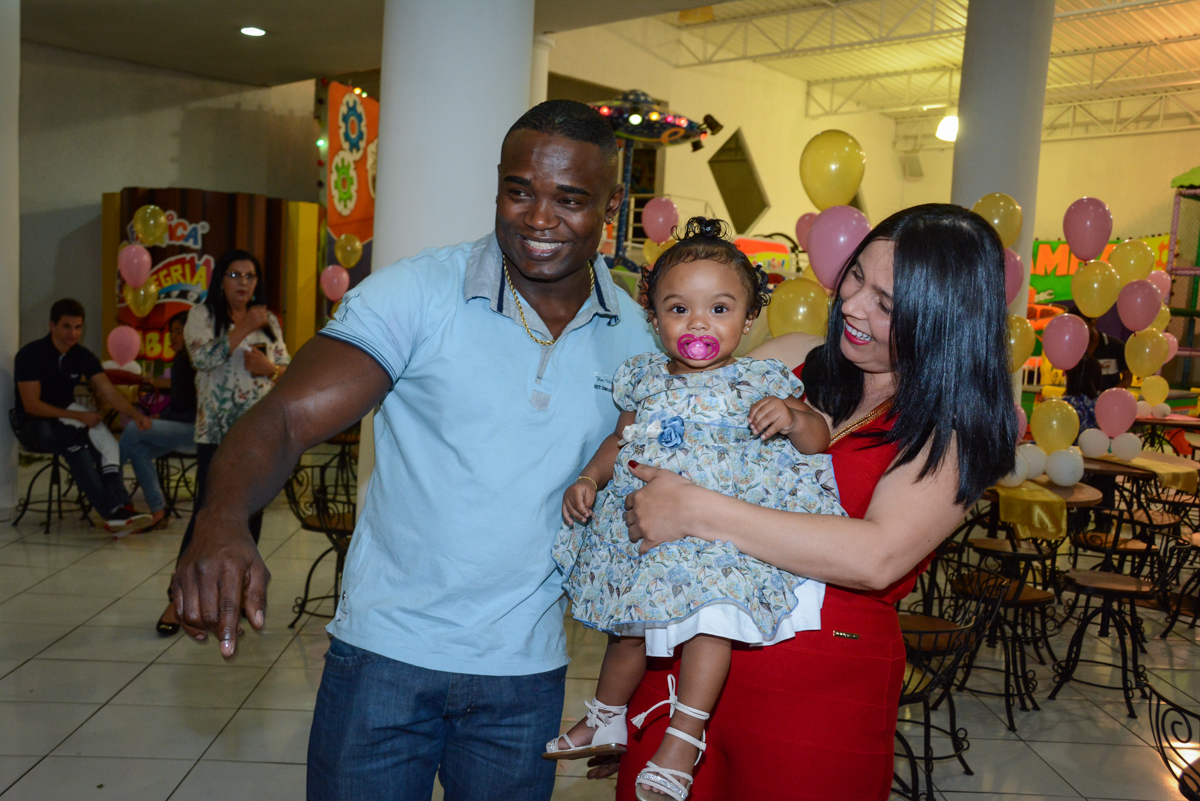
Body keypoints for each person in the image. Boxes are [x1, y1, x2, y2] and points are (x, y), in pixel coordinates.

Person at [168, 100, 657, 800]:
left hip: (525, 672)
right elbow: (284, 417)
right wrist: (220, 520)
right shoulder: (418, 293)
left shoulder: (639, 338)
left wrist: (625, 699)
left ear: (612, 204)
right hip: (384, 658)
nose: (539, 218)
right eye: (519, 191)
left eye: (570, 200)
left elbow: (658, 508)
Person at [601, 204, 1018, 800]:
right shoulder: (790, 357)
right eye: (856, 277)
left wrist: (696, 510)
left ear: (944, 321)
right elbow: (672, 424)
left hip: (817, 697)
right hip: (683, 664)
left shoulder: (954, 432)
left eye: (886, 304)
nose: (852, 305)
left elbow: (876, 556)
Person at [546, 218, 840, 800]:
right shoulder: (644, 378)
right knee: (629, 626)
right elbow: (620, 439)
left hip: (715, 537)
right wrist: (588, 477)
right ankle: (606, 715)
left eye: (719, 309)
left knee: (713, 622)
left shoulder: (759, 380)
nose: (699, 324)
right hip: (648, 529)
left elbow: (817, 441)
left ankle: (685, 736)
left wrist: (792, 416)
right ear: (654, 317)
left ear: (748, 319)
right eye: (679, 309)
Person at [156, 250, 289, 636]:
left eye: (250, 276)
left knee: (251, 515)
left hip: (259, 434)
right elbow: (202, 359)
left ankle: (237, 596)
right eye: (234, 275)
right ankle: (178, 600)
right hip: (216, 435)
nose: (243, 283)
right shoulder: (202, 316)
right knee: (208, 516)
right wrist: (244, 326)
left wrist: (271, 368)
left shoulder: (269, 320)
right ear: (220, 280)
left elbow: (287, 368)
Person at [13, 298, 153, 533]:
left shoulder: (81, 355)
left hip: (66, 416)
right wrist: (79, 417)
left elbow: (108, 391)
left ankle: (122, 507)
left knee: (108, 443)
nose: (73, 334)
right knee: (77, 444)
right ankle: (112, 512)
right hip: (33, 423)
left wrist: (134, 414)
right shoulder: (30, 355)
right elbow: (32, 406)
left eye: (78, 327)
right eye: (67, 326)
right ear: (52, 325)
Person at [119, 311, 197, 533]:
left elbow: (193, 410)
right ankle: (158, 511)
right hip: (184, 427)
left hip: (196, 431)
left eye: (179, 332)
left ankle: (112, 487)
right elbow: (180, 404)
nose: (173, 337)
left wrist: (162, 418)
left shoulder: (194, 363)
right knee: (139, 451)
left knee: (134, 428)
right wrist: (161, 417)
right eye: (172, 331)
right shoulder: (181, 360)